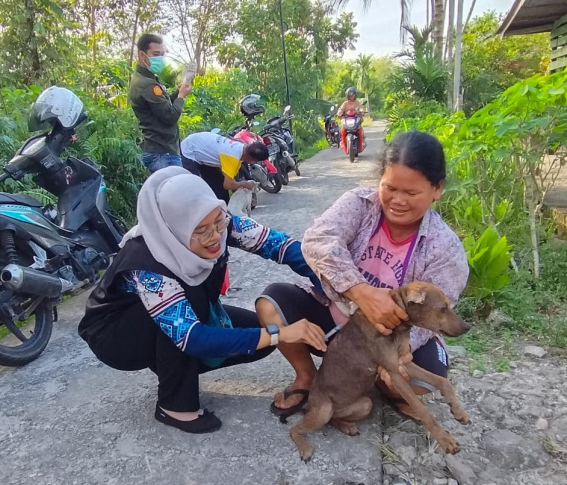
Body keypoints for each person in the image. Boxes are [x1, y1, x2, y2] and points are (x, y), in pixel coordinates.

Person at [78, 167, 326, 433]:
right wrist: (280, 333)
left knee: (257, 341)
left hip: (178, 317)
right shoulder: (147, 263)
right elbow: (192, 336)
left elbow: (281, 247)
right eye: (201, 231)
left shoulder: (219, 223)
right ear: (174, 229)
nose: (215, 236)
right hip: (116, 337)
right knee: (194, 314)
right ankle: (175, 406)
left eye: (218, 222)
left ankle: (174, 366)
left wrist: (331, 283)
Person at [255, 131, 469, 421]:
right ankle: (308, 378)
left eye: (412, 193)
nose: (398, 200)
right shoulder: (359, 203)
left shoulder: (445, 249)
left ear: (437, 189)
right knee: (272, 303)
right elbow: (317, 240)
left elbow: (436, 316)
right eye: (390, 188)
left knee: (418, 378)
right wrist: (359, 291)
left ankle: (377, 385)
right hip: (334, 320)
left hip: (390, 339)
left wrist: (400, 351)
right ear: (380, 179)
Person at [129, 33, 192, 173]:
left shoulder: (146, 80)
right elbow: (169, 116)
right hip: (162, 154)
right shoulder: (147, 85)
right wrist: (181, 96)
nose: (160, 59)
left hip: (160, 152)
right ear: (142, 55)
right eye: (156, 54)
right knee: (174, 194)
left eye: (162, 54)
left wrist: (177, 92)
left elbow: (162, 106)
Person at [180, 131, 268, 203]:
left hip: (203, 147)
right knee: (194, 188)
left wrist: (238, 185)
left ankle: (223, 215)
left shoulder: (242, 148)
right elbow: (228, 185)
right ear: (253, 160)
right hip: (191, 148)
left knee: (220, 190)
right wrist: (246, 184)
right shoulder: (233, 157)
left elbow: (230, 181)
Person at [336, 86, 366, 157]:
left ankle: (362, 142)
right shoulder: (345, 103)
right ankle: (342, 142)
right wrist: (339, 113)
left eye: (353, 95)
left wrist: (361, 111)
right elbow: (340, 109)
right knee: (342, 130)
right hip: (347, 120)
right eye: (350, 95)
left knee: (360, 130)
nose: (352, 96)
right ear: (347, 96)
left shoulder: (357, 102)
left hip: (356, 120)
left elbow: (361, 108)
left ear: (355, 95)